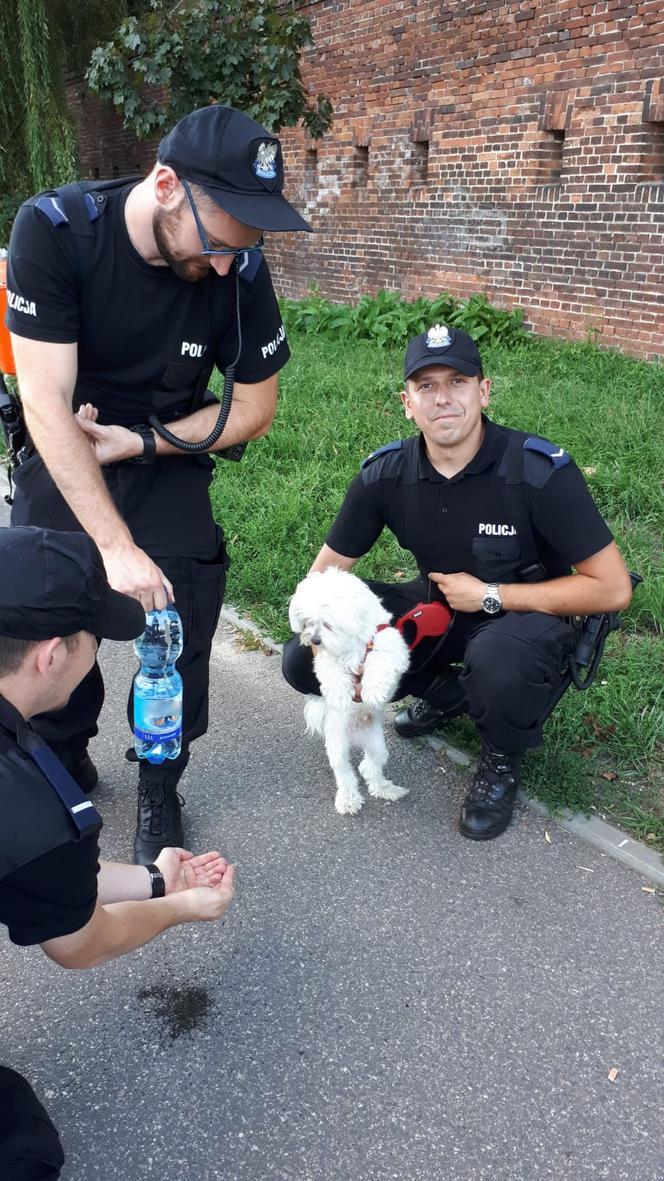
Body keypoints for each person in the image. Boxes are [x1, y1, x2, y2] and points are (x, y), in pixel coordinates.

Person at [4, 103, 311, 863]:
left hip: (161, 451)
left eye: (243, 249)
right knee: (42, 613)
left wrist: (141, 440)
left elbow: (254, 406)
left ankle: (160, 784)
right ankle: (58, 753)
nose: (223, 266)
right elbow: (45, 402)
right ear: (167, 185)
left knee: (180, 615)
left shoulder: (237, 263)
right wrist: (111, 546)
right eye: (216, 243)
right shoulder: (56, 230)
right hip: (64, 444)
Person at [282, 324, 633, 841]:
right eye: (426, 386)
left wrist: (492, 595)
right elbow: (323, 576)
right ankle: (448, 693)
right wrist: (324, 636)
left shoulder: (538, 471)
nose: (442, 398)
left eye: (458, 381)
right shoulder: (385, 475)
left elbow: (613, 588)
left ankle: (499, 757)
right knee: (300, 658)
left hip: (528, 618)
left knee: (496, 663)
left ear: (484, 390)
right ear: (407, 402)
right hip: (443, 608)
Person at [0, 525, 235, 1180]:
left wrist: (157, 881)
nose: (98, 652)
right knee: (24, 1147)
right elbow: (82, 941)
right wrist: (185, 907)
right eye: (93, 637)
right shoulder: (27, 800)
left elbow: (37, 869)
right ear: (50, 655)